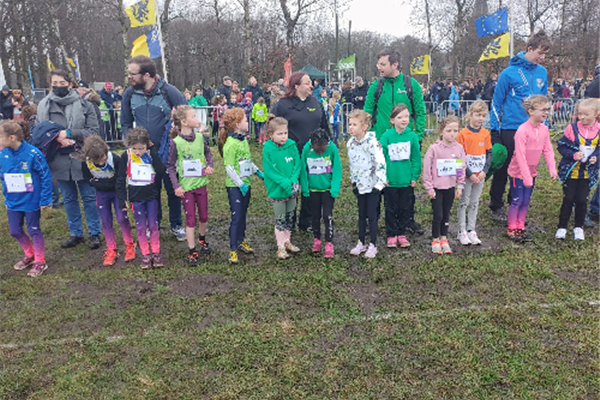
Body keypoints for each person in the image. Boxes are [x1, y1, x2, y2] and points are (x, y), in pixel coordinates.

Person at [120, 55, 188, 241]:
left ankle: (176, 224)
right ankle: (154, 224)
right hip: (144, 153)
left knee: (173, 189)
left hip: (167, 151)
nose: (129, 77)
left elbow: (185, 113)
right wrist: (130, 143)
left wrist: (178, 131)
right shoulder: (130, 93)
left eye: (132, 74)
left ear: (147, 75)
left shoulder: (168, 91)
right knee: (151, 191)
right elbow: (125, 122)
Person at [488, 31, 551, 225]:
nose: (543, 57)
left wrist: (544, 126)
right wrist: (495, 131)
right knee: (504, 167)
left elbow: (544, 101)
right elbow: (496, 103)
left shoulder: (542, 72)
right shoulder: (508, 73)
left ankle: (515, 202)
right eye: (540, 53)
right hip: (510, 128)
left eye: (545, 54)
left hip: (533, 129)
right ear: (529, 49)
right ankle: (496, 205)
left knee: (527, 167)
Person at [364, 48, 427, 236]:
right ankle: (371, 220)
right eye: (378, 63)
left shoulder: (411, 85)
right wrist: (370, 138)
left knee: (406, 185)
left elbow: (420, 112)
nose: (379, 67)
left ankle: (408, 220)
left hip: (404, 145)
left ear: (395, 65)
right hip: (380, 144)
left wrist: (418, 135)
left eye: (383, 64)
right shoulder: (376, 87)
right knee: (377, 184)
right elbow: (367, 113)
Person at [37, 69, 102, 249]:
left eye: (62, 83)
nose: (58, 87)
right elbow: (39, 132)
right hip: (57, 159)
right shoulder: (44, 106)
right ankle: (76, 233)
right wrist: (56, 137)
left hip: (82, 157)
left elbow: (94, 131)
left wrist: (71, 134)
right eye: (54, 84)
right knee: (68, 198)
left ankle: (95, 232)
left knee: (89, 197)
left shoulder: (85, 105)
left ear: (71, 84)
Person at [271, 71, 330, 231]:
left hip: (314, 153)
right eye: (307, 82)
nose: (311, 85)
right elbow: (271, 127)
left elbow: (324, 126)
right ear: (296, 86)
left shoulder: (315, 102)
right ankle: (287, 220)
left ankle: (307, 221)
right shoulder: (282, 105)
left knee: (310, 186)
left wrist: (329, 145)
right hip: (290, 154)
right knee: (291, 186)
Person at [0, 120, 53, 277]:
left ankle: (40, 261)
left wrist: (44, 200)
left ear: (12, 137)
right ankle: (30, 255)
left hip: (31, 200)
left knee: (33, 229)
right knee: (14, 230)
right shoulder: (3, 154)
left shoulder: (33, 153)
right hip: (13, 201)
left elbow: (45, 176)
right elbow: (3, 176)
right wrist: (6, 197)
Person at [167, 105, 214, 266]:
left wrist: (210, 165)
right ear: (184, 122)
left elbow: (208, 153)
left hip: (201, 184)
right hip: (186, 188)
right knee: (190, 219)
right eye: (193, 116)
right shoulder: (176, 143)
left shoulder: (200, 138)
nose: (197, 119)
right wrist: (176, 186)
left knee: (204, 216)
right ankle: (192, 250)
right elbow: (171, 166)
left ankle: (202, 239)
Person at [506, 95, 557, 242]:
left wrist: (552, 168)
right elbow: (520, 155)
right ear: (530, 111)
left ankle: (520, 227)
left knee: (526, 201)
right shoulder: (522, 131)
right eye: (543, 109)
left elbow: (548, 150)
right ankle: (511, 228)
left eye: (548, 109)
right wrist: (526, 176)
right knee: (517, 200)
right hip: (518, 173)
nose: (546, 112)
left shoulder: (544, 129)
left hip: (532, 173)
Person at [81, 135, 136, 266]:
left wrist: (101, 182)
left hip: (117, 192)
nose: (102, 161)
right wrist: (103, 182)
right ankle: (111, 248)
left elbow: (119, 179)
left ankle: (130, 244)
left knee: (122, 218)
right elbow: (88, 179)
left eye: (104, 156)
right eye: (99, 160)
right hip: (101, 194)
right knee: (106, 220)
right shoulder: (86, 163)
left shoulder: (115, 159)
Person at [219, 107, 264, 264]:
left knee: (243, 214)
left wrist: (257, 172)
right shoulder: (230, 144)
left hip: (247, 183)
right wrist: (239, 184)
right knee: (236, 217)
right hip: (235, 187)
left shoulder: (243, 140)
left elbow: (247, 161)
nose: (248, 122)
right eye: (245, 120)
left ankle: (241, 240)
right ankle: (232, 249)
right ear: (237, 124)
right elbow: (229, 168)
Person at [116, 127, 165, 269]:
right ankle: (145, 253)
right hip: (135, 197)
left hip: (151, 195)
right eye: (135, 148)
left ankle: (156, 252)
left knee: (153, 225)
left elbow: (161, 170)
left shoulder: (150, 154)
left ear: (147, 145)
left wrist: (153, 152)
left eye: (141, 148)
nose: (138, 152)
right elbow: (120, 178)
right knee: (141, 226)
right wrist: (121, 198)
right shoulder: (127, 156)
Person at [555, 99, 599, 241]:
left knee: (582, 200)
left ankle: (578, 227)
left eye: (586, 114)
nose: (582, 117)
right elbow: (562, 145)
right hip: (571, 172)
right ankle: (562, 226)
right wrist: (573, 155)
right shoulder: (572, 128)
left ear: (596, 114)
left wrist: (596, 158)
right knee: (568, 198)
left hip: (587, 174)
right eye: (580, 114)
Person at [380, 104, 421, 249]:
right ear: (392, 120)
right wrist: (383, 176)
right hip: (390, 182)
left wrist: (414, 176)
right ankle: (391, 234)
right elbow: (381, 158)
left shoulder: (412, 136)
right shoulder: (386, 136)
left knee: (405, 207)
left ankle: (402, 233)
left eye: (406, 116)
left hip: (406, 181)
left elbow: (416, 158)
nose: (404, 120)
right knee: (390, 208)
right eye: (400, 117)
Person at [423, 116, 465, 255]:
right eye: (448, 130)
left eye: (455, 130)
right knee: (438, 214)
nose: (452, 134)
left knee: (446, 214)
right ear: (441, 131)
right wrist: (429, 187)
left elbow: (461, 168)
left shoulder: (459, 148)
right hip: (436, 188)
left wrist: (460, 186)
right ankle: (435, 239)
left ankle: (444, 238)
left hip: (450, 188)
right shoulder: (434, 149)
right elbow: (427, 170)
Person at [347, 109, 386, 259]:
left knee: (372, 216)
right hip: (360, 186)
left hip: (373, 187)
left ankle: (373, 245)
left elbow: (381, 163)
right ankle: (361, 242)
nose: (350, 127)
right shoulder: (351, 143)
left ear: (364, 126)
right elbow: (352, 165)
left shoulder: (372, 143)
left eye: (354, 124)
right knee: (361, 215)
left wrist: (379, 185)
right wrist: (354, 182)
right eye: (350, 124)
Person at [262, 116, 302, 260]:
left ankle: (287, 241)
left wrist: (292, 180)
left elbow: (297, 164)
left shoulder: (291, 145)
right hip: (278, 190)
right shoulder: (267, 148)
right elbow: (270, 170)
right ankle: (280, 246)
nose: (283, 137)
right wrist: (284, 182)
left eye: (285, 133)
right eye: (280, 134)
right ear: (271, 134)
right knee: (280, 218)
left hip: (291, 188)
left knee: (290, 216)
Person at [300, 128, 342, 258]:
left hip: (328, 190)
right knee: (315, 216)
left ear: (327, 143)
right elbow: (303, 169)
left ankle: (329, 243)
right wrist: (305, 188)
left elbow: (337, 169)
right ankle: (317, 239)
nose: (319, 151)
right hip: (313, 190)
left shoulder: (332, 148)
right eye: (317, 148)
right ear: (311, 144)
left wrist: (334, 188)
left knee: (327, 215)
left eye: (322, 149)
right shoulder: (307, 149)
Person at [456, 100, 492, 246]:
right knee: (464, 201)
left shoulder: (485, 133)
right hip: (467, 176)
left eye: (483, 116)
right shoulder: (462, 134)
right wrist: (468, 174)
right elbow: (459, 157)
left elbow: (489, 153)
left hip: (480, 175)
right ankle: (461, 230)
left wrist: (484, 172)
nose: (480, 119)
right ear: (470, 115)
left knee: (474, 202)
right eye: (478, 115)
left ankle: (471, 229)